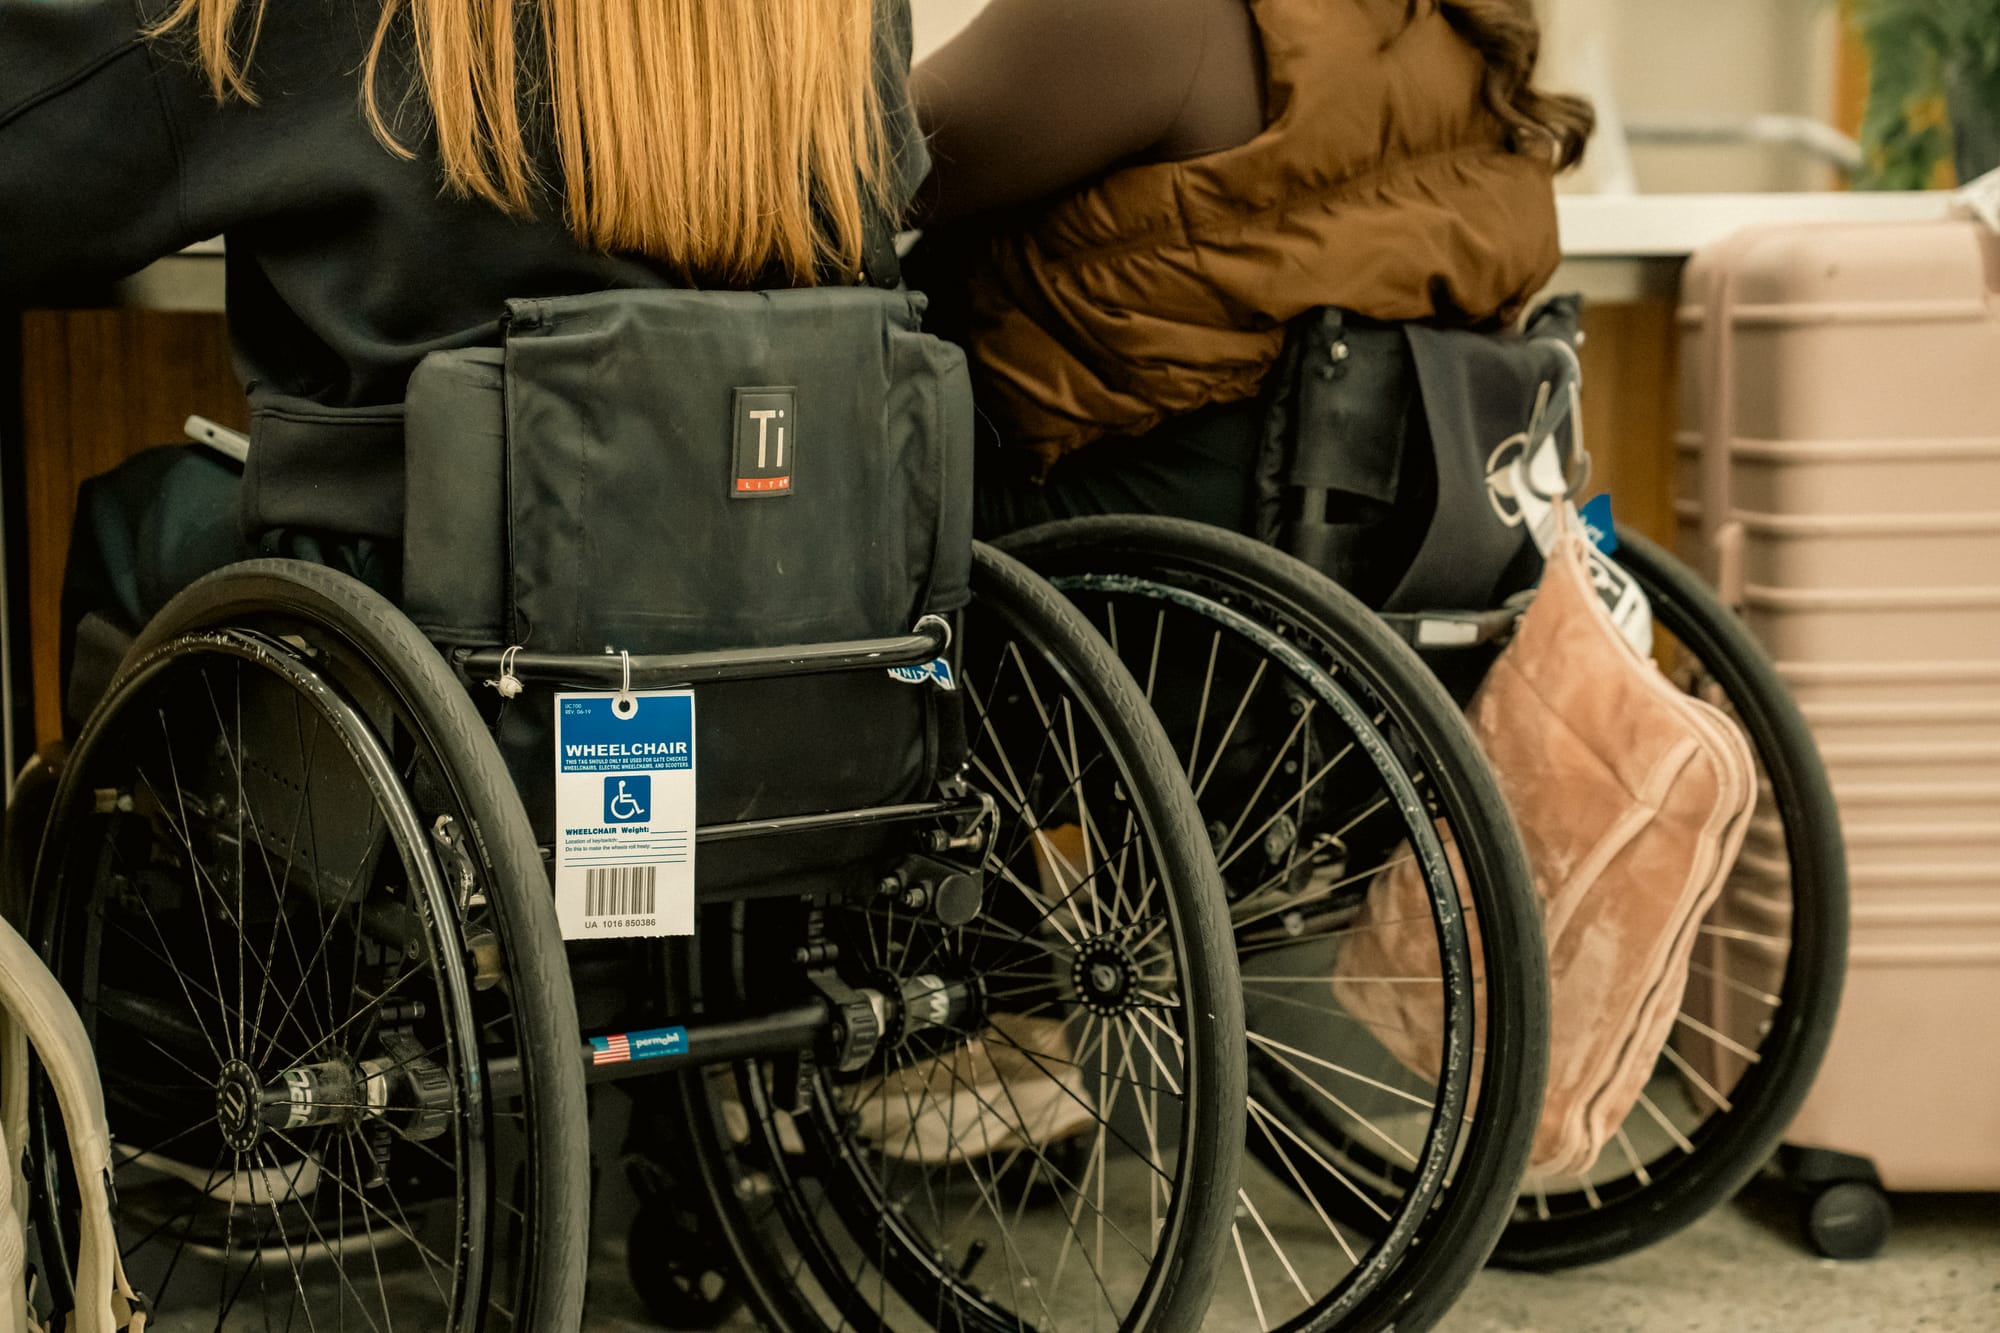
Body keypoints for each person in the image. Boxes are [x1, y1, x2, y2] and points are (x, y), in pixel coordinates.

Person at [2, 0, 928, 638]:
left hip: (433, 621)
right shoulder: (833, 19)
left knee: (132, 524)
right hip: (797, 600)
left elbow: (37, 167)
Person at [907, 0, 1592, 540]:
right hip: (1339, 559)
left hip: (1129, 544)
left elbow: (851, 169)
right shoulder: (1455, 25)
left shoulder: (1160, 20)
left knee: (835, 478)